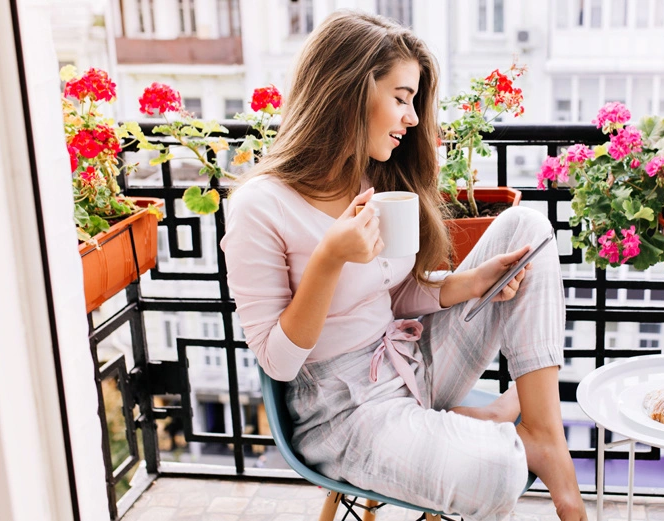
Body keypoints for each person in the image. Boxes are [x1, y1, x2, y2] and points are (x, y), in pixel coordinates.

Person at [220, 10, 586, 521]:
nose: (412, 119)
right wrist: (328, 259)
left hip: (408, 359)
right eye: (400, 98)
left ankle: (545, 437)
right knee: (496, 470)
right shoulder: (259, 207)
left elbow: (388, 295)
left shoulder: (370, 181)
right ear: (347, 93)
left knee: (528, 230)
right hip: (342, 410)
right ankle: (481, 423)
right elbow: (278, 363)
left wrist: (465, 284)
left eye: (413, 102)